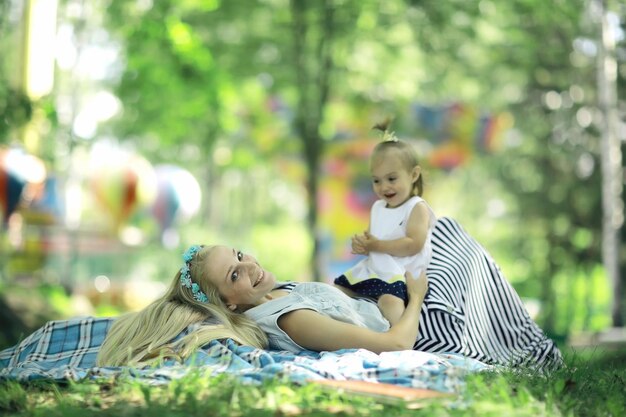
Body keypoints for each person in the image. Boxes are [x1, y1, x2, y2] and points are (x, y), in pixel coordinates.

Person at [97, 220, 563, 371]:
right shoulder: (290, 320)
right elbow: (398, 346)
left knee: (428, 233)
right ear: (229, 303)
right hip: (419, 333)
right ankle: (531, 351)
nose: (251, 266)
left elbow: (337, 295)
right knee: (444, 243)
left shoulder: (281, 292)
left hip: (392, 308)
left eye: (241, 254)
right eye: (236, 274)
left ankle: (525, 342)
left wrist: (369, 269)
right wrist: (407, 298)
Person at [334, 120, 436, 325]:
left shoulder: (416, 207)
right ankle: (346, 328)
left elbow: (413, 244)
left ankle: (399, 338)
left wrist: (377, 245)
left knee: (390, 302)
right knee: (336, 291)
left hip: (402, 275)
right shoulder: (378, 207)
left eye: (391, 178)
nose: (384, 186)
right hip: (375, 269)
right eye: (376, 180)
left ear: (413, 175)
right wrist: (364, 244)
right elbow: (374, 239)